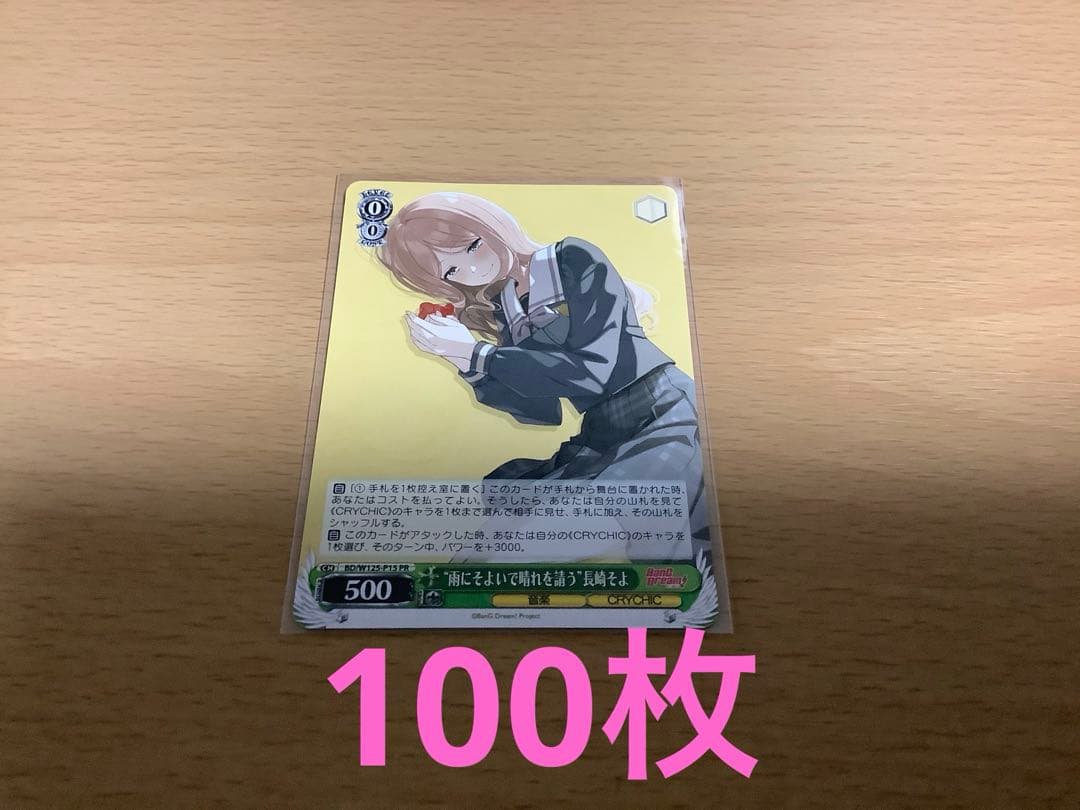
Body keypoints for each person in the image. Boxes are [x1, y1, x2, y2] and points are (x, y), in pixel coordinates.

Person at [377, 192, 710, 558]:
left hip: (662, 409)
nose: (472, 269)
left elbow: (594, 370)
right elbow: (541, 411)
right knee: (487, 549)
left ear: (492, 228)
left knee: (649, 542)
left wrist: (479, 354)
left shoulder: (572, 259)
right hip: (601, 431)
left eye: (473, 246)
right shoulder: (505, 306)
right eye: (452, 271)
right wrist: (464, 361)